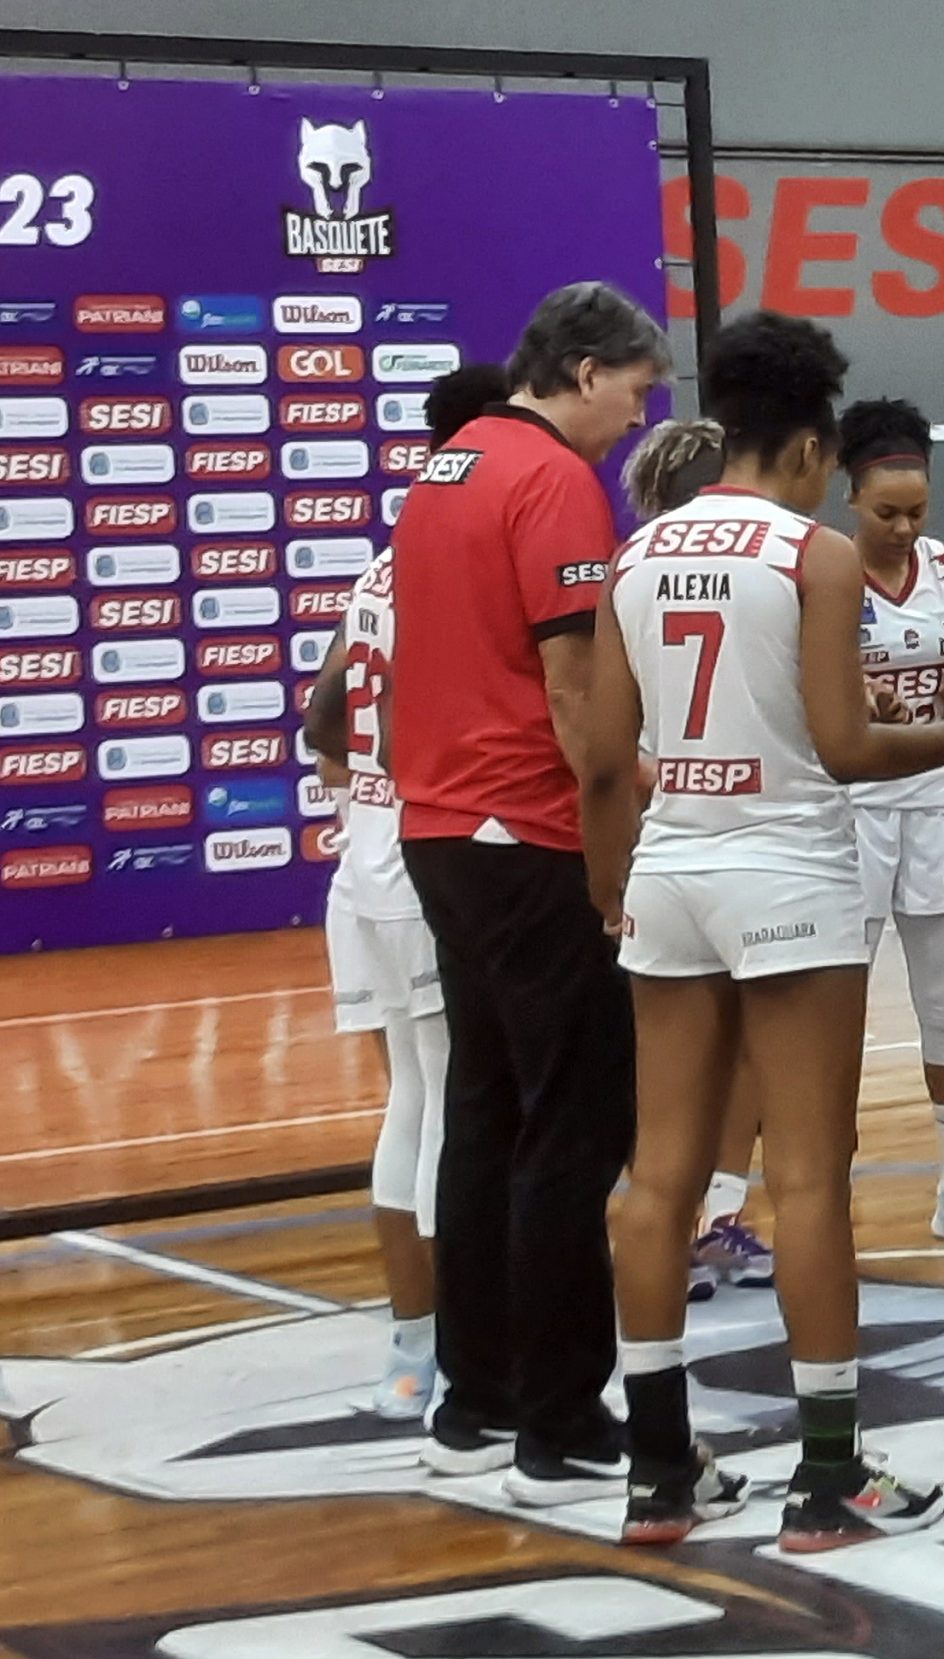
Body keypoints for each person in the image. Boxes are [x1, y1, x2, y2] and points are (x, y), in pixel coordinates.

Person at [583, 311, 944, 1549]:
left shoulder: (634, 557)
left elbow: (600, 763)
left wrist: (610, 889)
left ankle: (657, 1473)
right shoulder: (814, 556)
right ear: (807, 446)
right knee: (808, 1180)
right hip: (788, 870)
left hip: (674, 869)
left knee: (656, 1180)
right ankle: (829, 1476)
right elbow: (850, 748)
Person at [392, 283, 665, 1504]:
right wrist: (620, 816)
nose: (635, 416)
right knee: (574, 1127)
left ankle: (478, 1395)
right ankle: (560, 1424)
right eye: (635, 390)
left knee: (487, 1111)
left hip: (439, 827)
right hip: (530, 831)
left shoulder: (447, 464)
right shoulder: (551, 477)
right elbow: (569, 687)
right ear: (585, 367)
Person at [304, 361, 504, 1422]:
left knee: (415, 1106)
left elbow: (320, 718)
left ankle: (412, 1351)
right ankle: (462, 1354)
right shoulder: (468, 553)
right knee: (452, 1114)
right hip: (433, 858)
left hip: (367, 857)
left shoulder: (385, 561)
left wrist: (366, 773)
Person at [838, 398, 944, 1248]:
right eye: (886, 513)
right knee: (834, 1012)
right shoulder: (822, 573)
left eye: (917, 511)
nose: (905, 529)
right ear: (849, 495)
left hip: (942, 799)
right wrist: (845, 698)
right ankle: (823, 1182)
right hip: (853, 805)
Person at [620, 417, 781, 1303]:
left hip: (668, 844)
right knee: (742, 1048)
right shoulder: (778, 565)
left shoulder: (632, 566)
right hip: (745, 842)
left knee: (686, 1057)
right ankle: (704, 1216)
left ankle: (695, 1222)